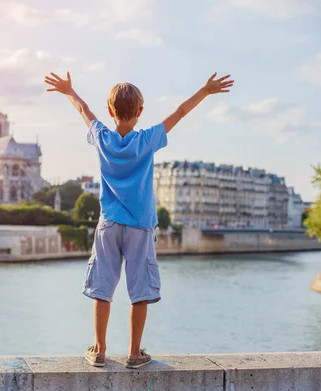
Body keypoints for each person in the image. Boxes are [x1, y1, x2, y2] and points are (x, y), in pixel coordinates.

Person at [44, 70, 233, 368]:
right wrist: (206, 90)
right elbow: (181, 112)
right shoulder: (148, 140)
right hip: (140, 227)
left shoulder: (103, 137)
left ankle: (99, 349)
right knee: (140, 292)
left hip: (108, 224)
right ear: (141, 112)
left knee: (102, 288)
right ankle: (134, 353)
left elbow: (83, 109)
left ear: (110, 111)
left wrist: (69, 90)